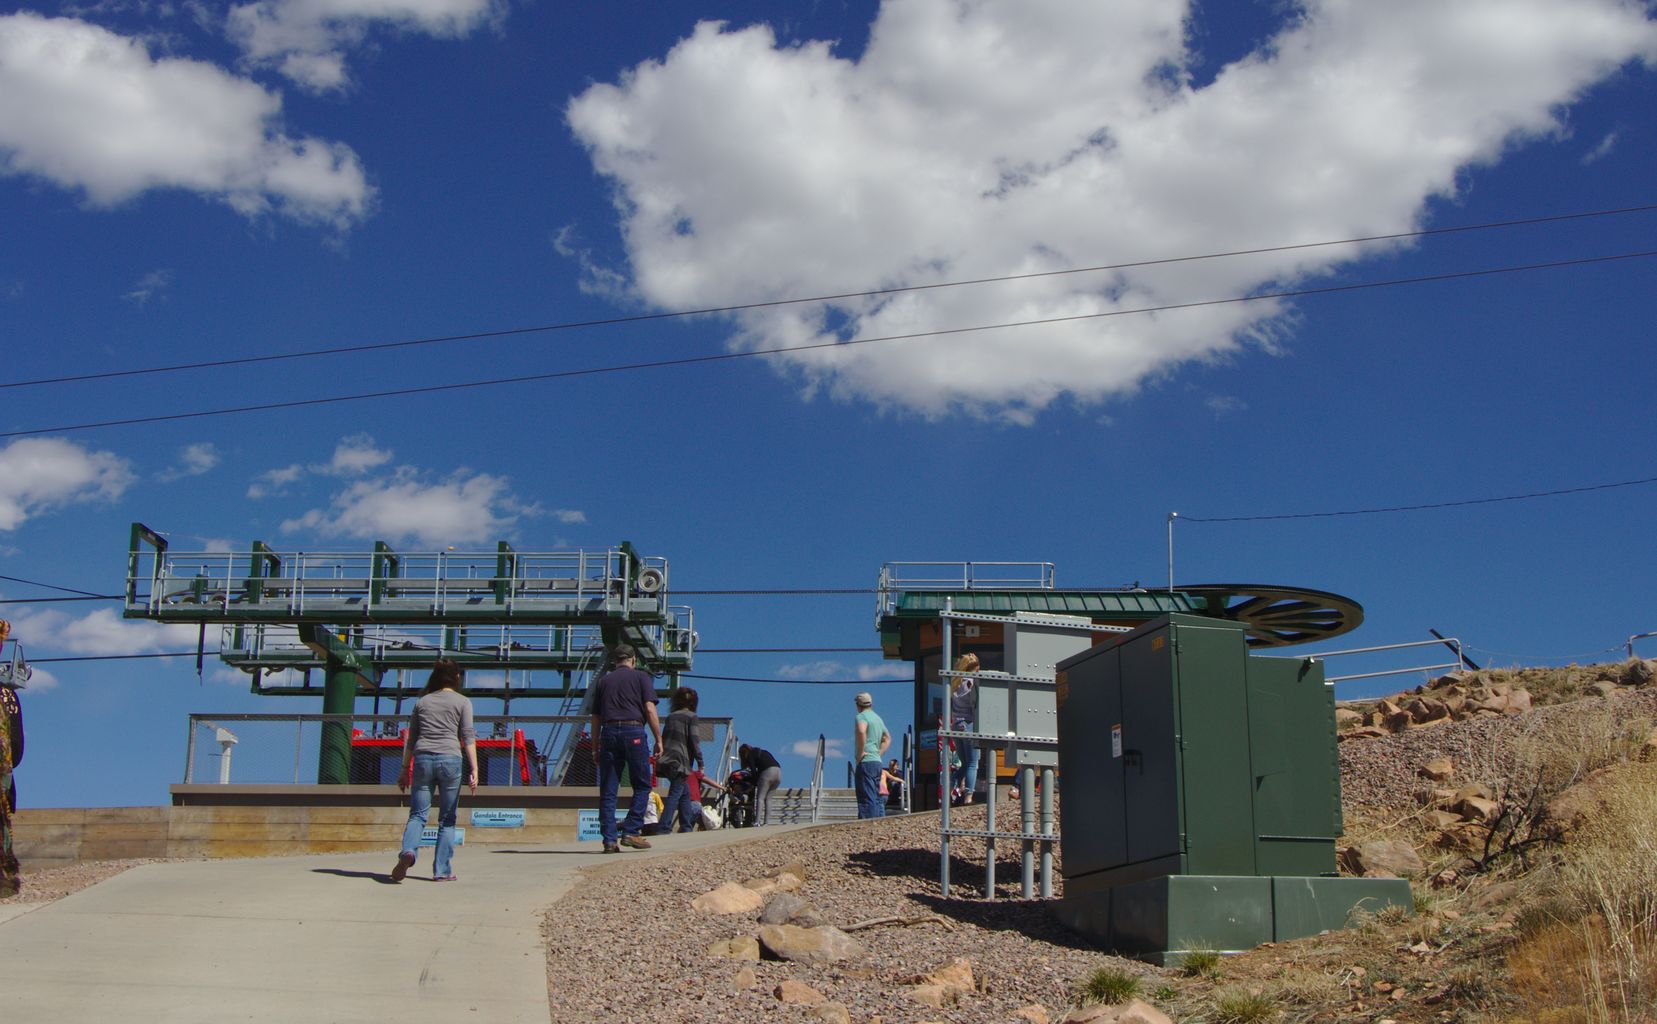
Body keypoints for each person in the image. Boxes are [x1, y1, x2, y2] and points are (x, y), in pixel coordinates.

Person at [391, 659, 477, 882]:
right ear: (456, 677)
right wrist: (475, 769)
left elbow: (411, 739)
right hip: (451, 760)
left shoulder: (422, 703)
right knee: (447, 819)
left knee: (418, 815)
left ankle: (408, 851)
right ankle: (442, 871)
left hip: (422, 759)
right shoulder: (463, 702)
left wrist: (403, 769)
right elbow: (468, 737)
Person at [589, 644, 663, 853]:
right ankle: (631, 831)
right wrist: (659, 738)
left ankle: (609, 841)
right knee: (641, 785)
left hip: (609, 733)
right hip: (634, 731)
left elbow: (595, 718)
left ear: (615, 661)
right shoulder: (641, 678)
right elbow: (650, 708)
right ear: (633, 660)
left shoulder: (604, 681)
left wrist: (595, 747)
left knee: (609, 789)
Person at [658, 687, 703, 834]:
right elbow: (694, 741)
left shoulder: (671, 716)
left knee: (685, 793)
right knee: (675, 793)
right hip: (680, 761)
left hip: (666, 759)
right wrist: (700, 762)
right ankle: (664, 827)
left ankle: (686, 826)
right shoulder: (691, 717)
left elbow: (664, 738)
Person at [950, 653, 984, 805]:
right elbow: (975, 705)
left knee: (964, 764)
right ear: (976, 668)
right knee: (972, 763)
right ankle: (968, 796)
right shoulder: (971, 683)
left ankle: (952, 787)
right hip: (969, 725)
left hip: (956, 726)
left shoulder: (956, 682)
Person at [853, 691, 891, 818]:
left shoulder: (862, 716)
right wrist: (879, 753)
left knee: (866, 797)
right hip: (876, 762)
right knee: (875, 796)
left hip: (866, 761)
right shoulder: (877, 718)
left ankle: (867, 826)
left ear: (858, 704)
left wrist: (860, 752)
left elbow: (861, 730)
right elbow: (887, 738)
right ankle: (876, 824)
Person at [738, 743, 782, 826]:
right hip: (778, 772)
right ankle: (766, 823)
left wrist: (749, 780)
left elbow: (753, 772)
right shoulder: (763, 752)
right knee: (768, 799)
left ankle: (757, 822)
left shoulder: (750, 755)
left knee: (760, 798)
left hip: (768, 773)